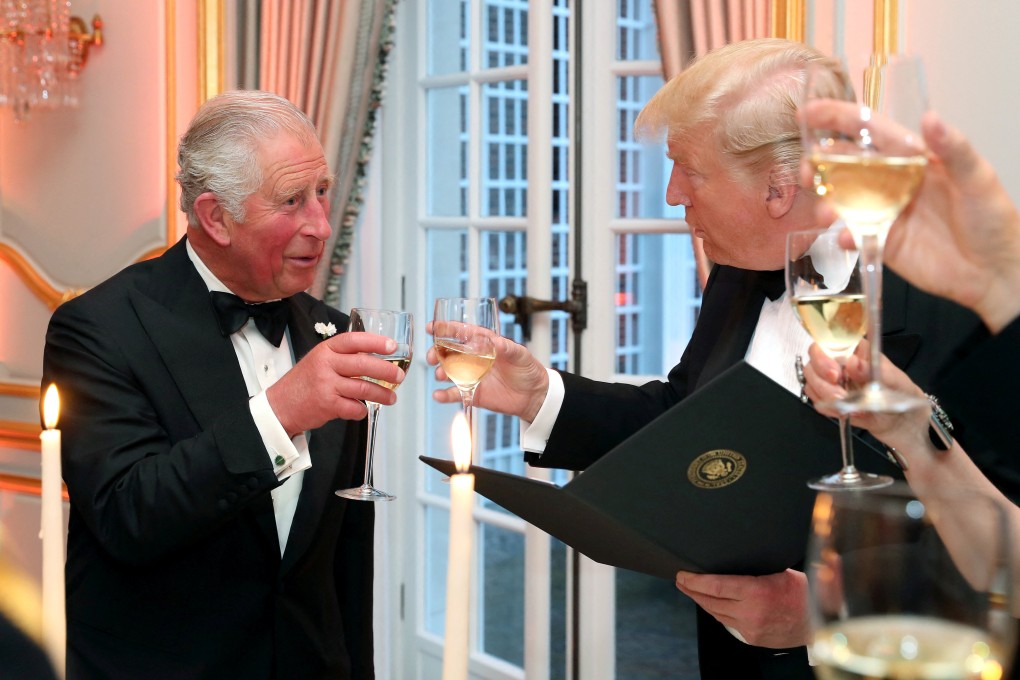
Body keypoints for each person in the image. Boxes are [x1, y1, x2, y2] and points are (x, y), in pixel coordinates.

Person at [428, 39, 1006, 680]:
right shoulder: (739, 273)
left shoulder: (956, 312)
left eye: (688, 169)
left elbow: (999, 551)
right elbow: (687, 415)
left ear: (781, 189)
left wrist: (825, 613)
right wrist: (542, 396)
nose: (673, 195)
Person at [42, 90, 405, 679]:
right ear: (215, 217)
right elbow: (128, 516)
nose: (320, 224)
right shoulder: (98, 329)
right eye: (292, 200)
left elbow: (344, 557)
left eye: (321, 192)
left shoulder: (333, 332)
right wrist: (280, 412)